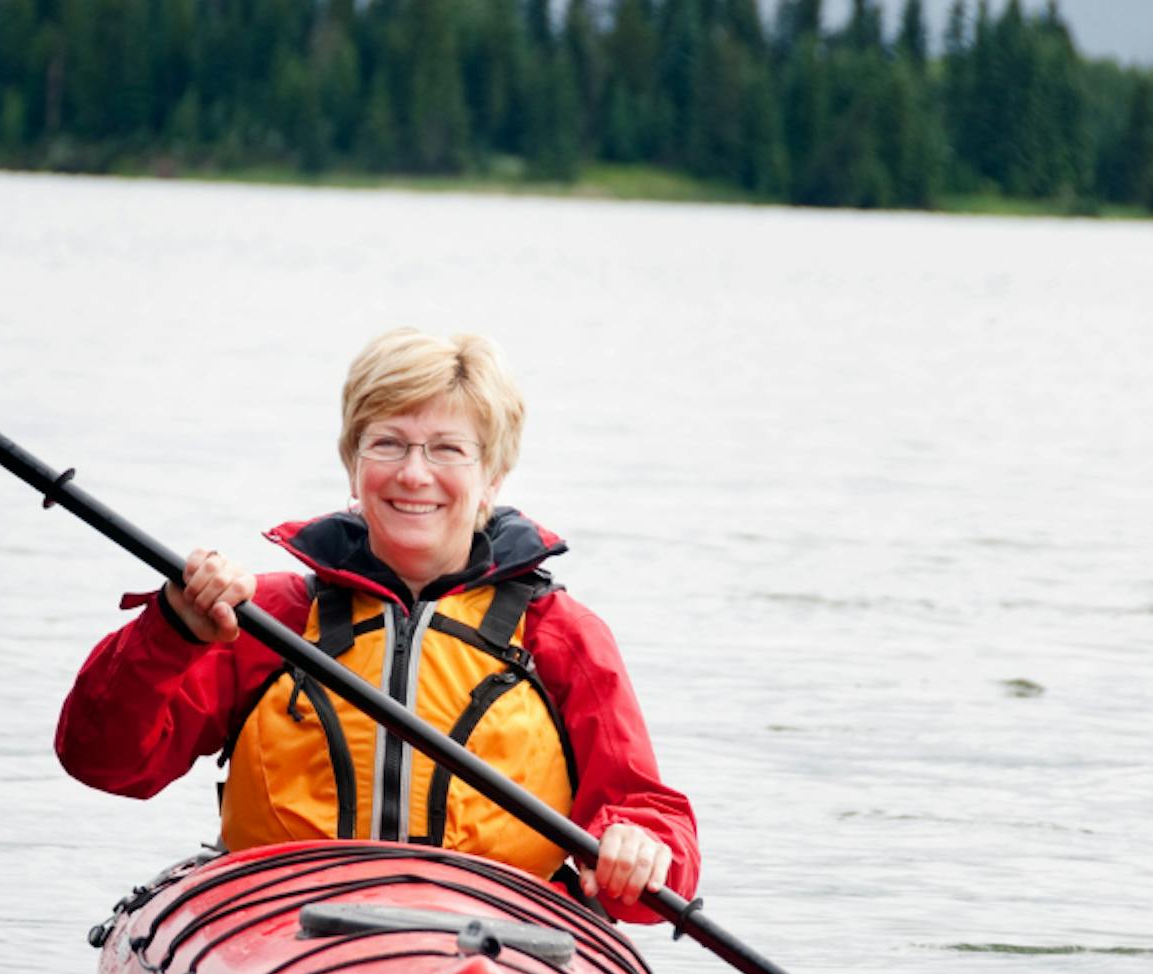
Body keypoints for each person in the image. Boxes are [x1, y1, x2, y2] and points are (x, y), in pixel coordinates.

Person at [56, 328, 697, 922]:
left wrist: (638, 846)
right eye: (387, 444)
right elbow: (104, 762)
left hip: (500, 938)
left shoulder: (560, 634)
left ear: (493, 476)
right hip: (282, 925)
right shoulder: (267, 618)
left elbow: (650, 821)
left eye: (448, 449)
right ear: (353, 464)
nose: (414, 473)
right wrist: (172, 628)